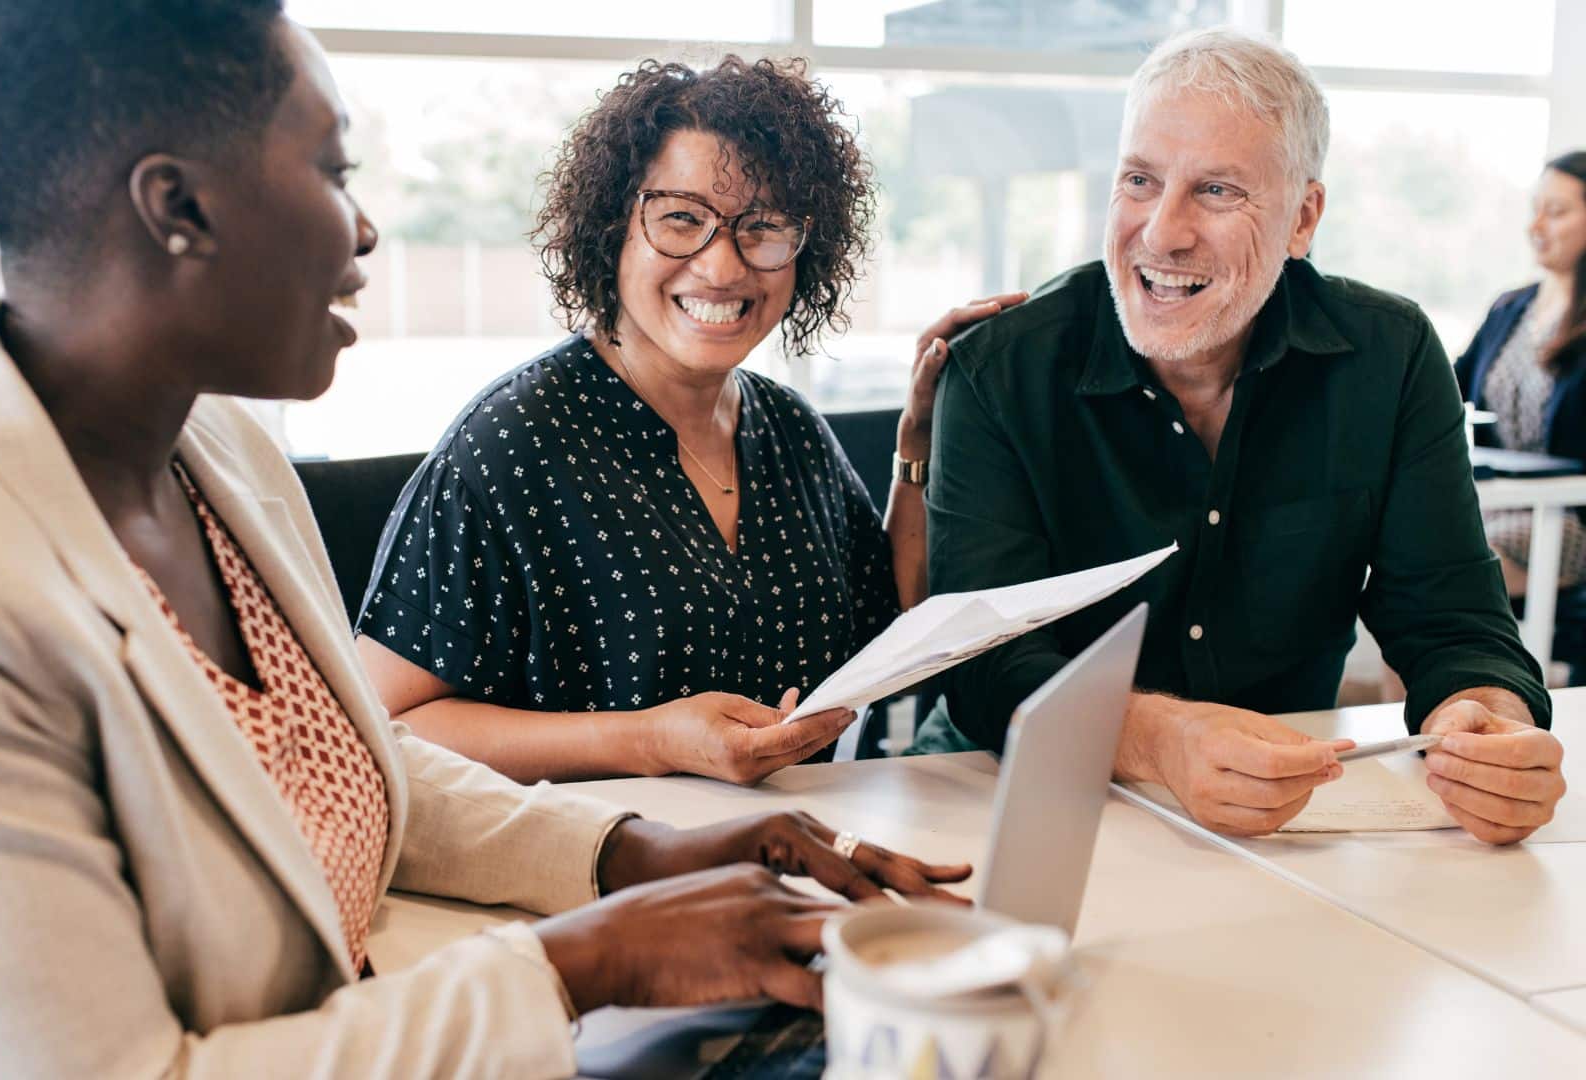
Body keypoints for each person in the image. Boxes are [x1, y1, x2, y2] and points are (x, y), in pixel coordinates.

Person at [0, 5, 976, 1077]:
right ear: (179, 206)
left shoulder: (216, 448)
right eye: (332, 171)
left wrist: (643, 858)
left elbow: (360, 764)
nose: (363, 230)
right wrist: (594, 958)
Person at [911, 28, 1567, 845]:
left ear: (1303, 218)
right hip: (1009, 785)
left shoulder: (1390, 356)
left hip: (1281, 809)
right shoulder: (1001, 369)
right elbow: (985, 663)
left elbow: (1454, 622)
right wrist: (1161, 740)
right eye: (1140, 180)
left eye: (1217, 191)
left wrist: (1485, 722)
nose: (1161, 233)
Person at [355, 56, 1021, 785]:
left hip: (793, 853)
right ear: (613, 230)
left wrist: (918, 443)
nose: (724, 266)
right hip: (596, 872)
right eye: (682, 219)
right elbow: (388, 725)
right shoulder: (509, 446)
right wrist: (648, 740)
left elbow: (891, 620)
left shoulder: (789, 429)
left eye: (762, 227)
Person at [1456, 151, 1586, 597]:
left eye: (1556, 212)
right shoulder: (1510, 308)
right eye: (1535, 210)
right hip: (1497, 503)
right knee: (1403, 563)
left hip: (1569, 517)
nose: (1536, 227)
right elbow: (1445, 388)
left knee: (1452, 576)